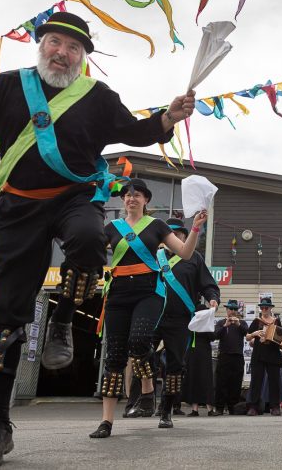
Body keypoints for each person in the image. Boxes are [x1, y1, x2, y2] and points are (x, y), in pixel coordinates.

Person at [0, 11, 196, 467]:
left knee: (91, 239)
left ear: (83, 57)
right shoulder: (12, 84)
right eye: (54, 42)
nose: (62, 52)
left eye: (73, 47)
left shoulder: (97, 96)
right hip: (17, 206)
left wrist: (167, 117)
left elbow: (133, 131)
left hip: (76, 197)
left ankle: (65, 319)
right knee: (4, 320)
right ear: (41, 46)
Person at [89, 181, 207, 438]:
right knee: (115, 357)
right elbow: (93, 252)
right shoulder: (112, 228)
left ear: (146, 200)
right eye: (127, 195)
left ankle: (147, 390)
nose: (131, 198)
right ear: (123, 201)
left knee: (140, 340)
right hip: (118, 293)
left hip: (148, 293)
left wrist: (196, 227)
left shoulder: (157, 226)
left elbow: (186, 253)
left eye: (137, 195)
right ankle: (106, 422)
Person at [245, 297, 282, 416]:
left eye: (266, 307)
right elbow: (247, 337)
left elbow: (281, 338)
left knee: (274, 381)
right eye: (262, 307)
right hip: (259, 354)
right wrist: (255, 333)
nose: (264, 309)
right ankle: (253, 406)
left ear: (270, 308)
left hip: (273, 354)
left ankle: (274, 406)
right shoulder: (256, 321)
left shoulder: (276, 321)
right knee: (256, 381)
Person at [213, 300, 249, 415]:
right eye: (230, 309)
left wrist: (237, 324)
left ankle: (233, 407)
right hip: (224, 356)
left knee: (236, 383)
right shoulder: (221, 322)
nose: (232, 311)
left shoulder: (242, 323)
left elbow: (247, 334)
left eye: (234, 309)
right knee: (221, 382)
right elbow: (215, 335)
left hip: (237, 357)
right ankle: (219, 407)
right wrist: (225, 326)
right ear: (227, 310)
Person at [183, 314, 216, 417]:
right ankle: (210, 409)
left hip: (192, 353)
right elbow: (213, 337)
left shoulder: (192, 323)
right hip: (204, 354)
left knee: (194, 379)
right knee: (206, 379)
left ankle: (195, 409)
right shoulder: (207, 324)